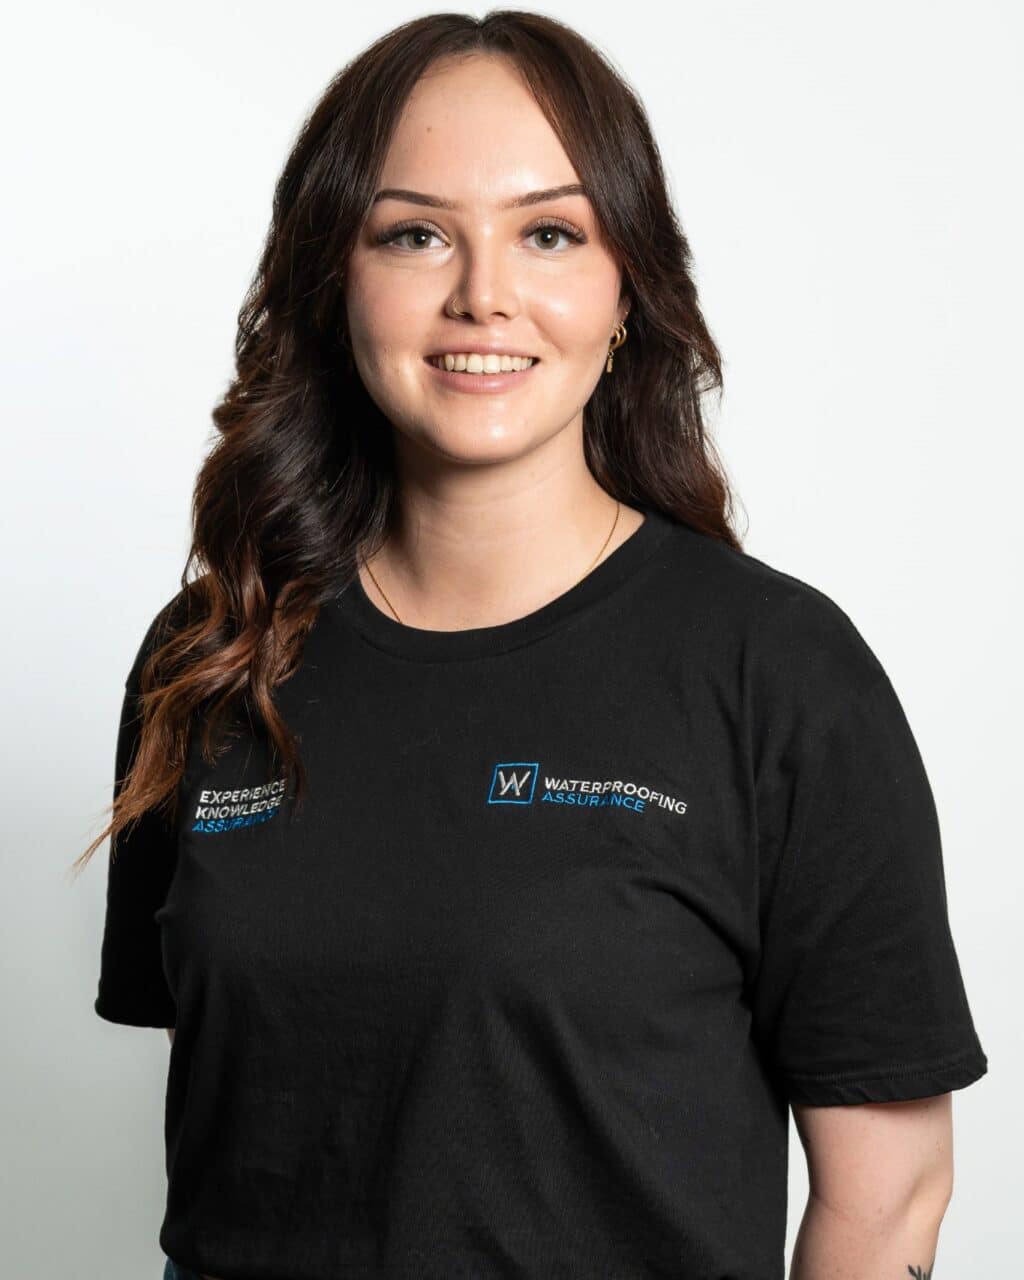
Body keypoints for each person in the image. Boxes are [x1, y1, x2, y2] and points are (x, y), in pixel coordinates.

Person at [78, 11, 988, 1279]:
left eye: (550, 232)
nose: (482, 292)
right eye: (414, 233)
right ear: (335, 279)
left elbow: (888, 1195)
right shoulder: (214, 652)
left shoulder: (774, 671)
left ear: (626, 290)